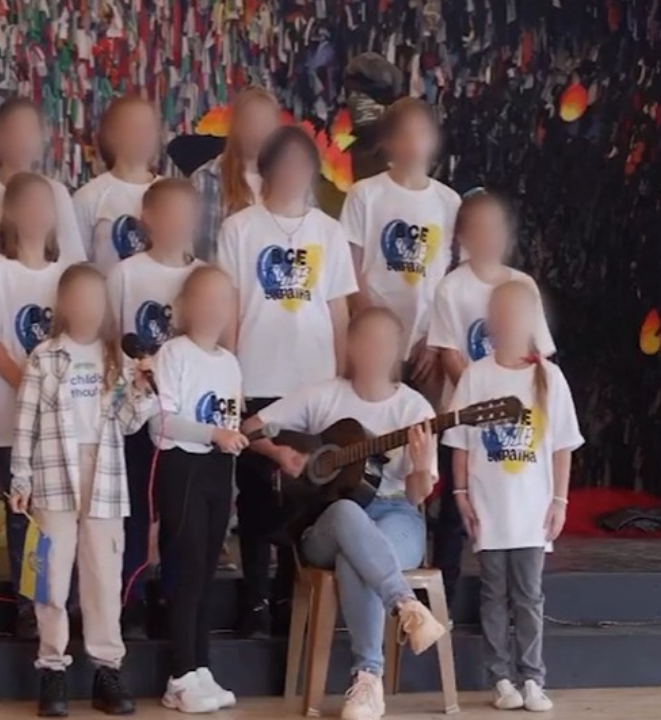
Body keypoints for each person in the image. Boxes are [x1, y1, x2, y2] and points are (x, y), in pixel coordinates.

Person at [240, 307, 447, 720]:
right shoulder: (324, 395)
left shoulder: (414, 407)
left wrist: (422, 466)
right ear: (350, 346)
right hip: (328, 521)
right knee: (348, 514)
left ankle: (367, 680)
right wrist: (281, 454)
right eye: (367, 341)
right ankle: (405, 605)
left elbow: (417, 496)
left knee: (357, 556)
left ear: (398, 351)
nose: (375, 350)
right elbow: (250, 428)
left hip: (397, 513)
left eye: (385, 343)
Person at [216, 126, 359, 638]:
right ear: (268, 168)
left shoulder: (328, 232)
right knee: (257, 493)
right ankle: (254, 598)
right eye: (286, 162)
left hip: (313, 383)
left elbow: (339, 311)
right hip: (257, 375)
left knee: (305, 495)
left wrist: (341, 376)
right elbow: (230, 307)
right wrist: (229, 375)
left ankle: (288, 600)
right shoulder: (240, 228)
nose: (294, 173)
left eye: (304, 164)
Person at [8, 264, 156, 717]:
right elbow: (26, 421)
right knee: (51, 578)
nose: (88, 308)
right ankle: (52, 667)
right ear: (64, 305)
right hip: (54, 473)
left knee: (103, 579)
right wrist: (20, 477)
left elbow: (128, 422)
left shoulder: (116, 359)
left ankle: (106, 669)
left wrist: (142, 388)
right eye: (79, 299)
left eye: (96, 300)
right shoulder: (45, 357)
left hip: (105, 475)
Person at [443, 280, 583, 713]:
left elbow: (562, 446)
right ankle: (500, 678)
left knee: (528, 596)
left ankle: (532, 678)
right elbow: (460, 442)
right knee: (493, 594)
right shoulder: (476, 375)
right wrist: (461, 494)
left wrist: (559, 502)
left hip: (531, 512)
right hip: (489, 509)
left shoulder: (550, 377)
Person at [427, 190, 556, 602]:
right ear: (463, 236)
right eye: (478, 229)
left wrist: (514, 394)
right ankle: (443, 598)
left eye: (495, 228)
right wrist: (480, 396)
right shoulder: (452, 287)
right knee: (454, 509)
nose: (488, 236)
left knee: (517, 504)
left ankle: (519, 599)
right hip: (466, 416)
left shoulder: (522, 285)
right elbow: (449, 351)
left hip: (520, 420)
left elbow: (539, 353)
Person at [0, 172, 68, 640]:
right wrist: (28, 385)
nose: (36, 215)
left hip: (62, 425)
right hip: (14, 421)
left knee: (58, 515)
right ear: (10, 213)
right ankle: (29, 606)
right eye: (27, 206)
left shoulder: (66, 273)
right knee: (23, 516)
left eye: (44, 206)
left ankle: (58, 602)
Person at [105, 178, 205, 638]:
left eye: (186, 215)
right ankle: (131, 598)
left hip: (186, 416)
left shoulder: (202, 276)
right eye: (169, 214)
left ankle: (172, 596)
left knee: (179, 514)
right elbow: (111, 339)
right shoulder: (125, 274)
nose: (178, 224)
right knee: (137, 511)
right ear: (148, 219)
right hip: (137, 413)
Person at [149, 266, 248, 713]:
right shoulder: (174, 354)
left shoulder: (230, 362)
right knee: (187, 573)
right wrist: (212, 434)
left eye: (222, 300)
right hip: (183, 467)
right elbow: (161, 422)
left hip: (218, 471)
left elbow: (234, 421)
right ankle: (179, 673)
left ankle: (200, 665)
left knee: (207, 573)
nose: (214, 309)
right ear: (185, 306)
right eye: (204, 299)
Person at [340, 97, 461, 401]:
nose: (414, 143)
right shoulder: (365, 194)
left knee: (424, 418)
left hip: (425, 339)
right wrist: (373, 330)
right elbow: (349, 268)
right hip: (374, 336)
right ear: (388, 141)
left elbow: (453, 276)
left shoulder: (449, 201)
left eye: (422, 133)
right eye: (404, 134)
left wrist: (435, 338)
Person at [0, 98, 86, 262]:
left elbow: (73, 258)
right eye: (16, 131)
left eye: (31, 131)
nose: (24, 139)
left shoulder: (57, 192)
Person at [189, 86, 281, 261]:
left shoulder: (292, 182)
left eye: (266, 124)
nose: (258, 132)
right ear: (235, 126)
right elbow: (188, 252)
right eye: (251, 122)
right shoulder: (205, 181)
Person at [74, 95, 162, 271]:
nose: (143, 136)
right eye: (134, 128)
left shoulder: (170, 193)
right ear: (111, 135)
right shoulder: (88, 197)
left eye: (149, 128)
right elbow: (76, 267)